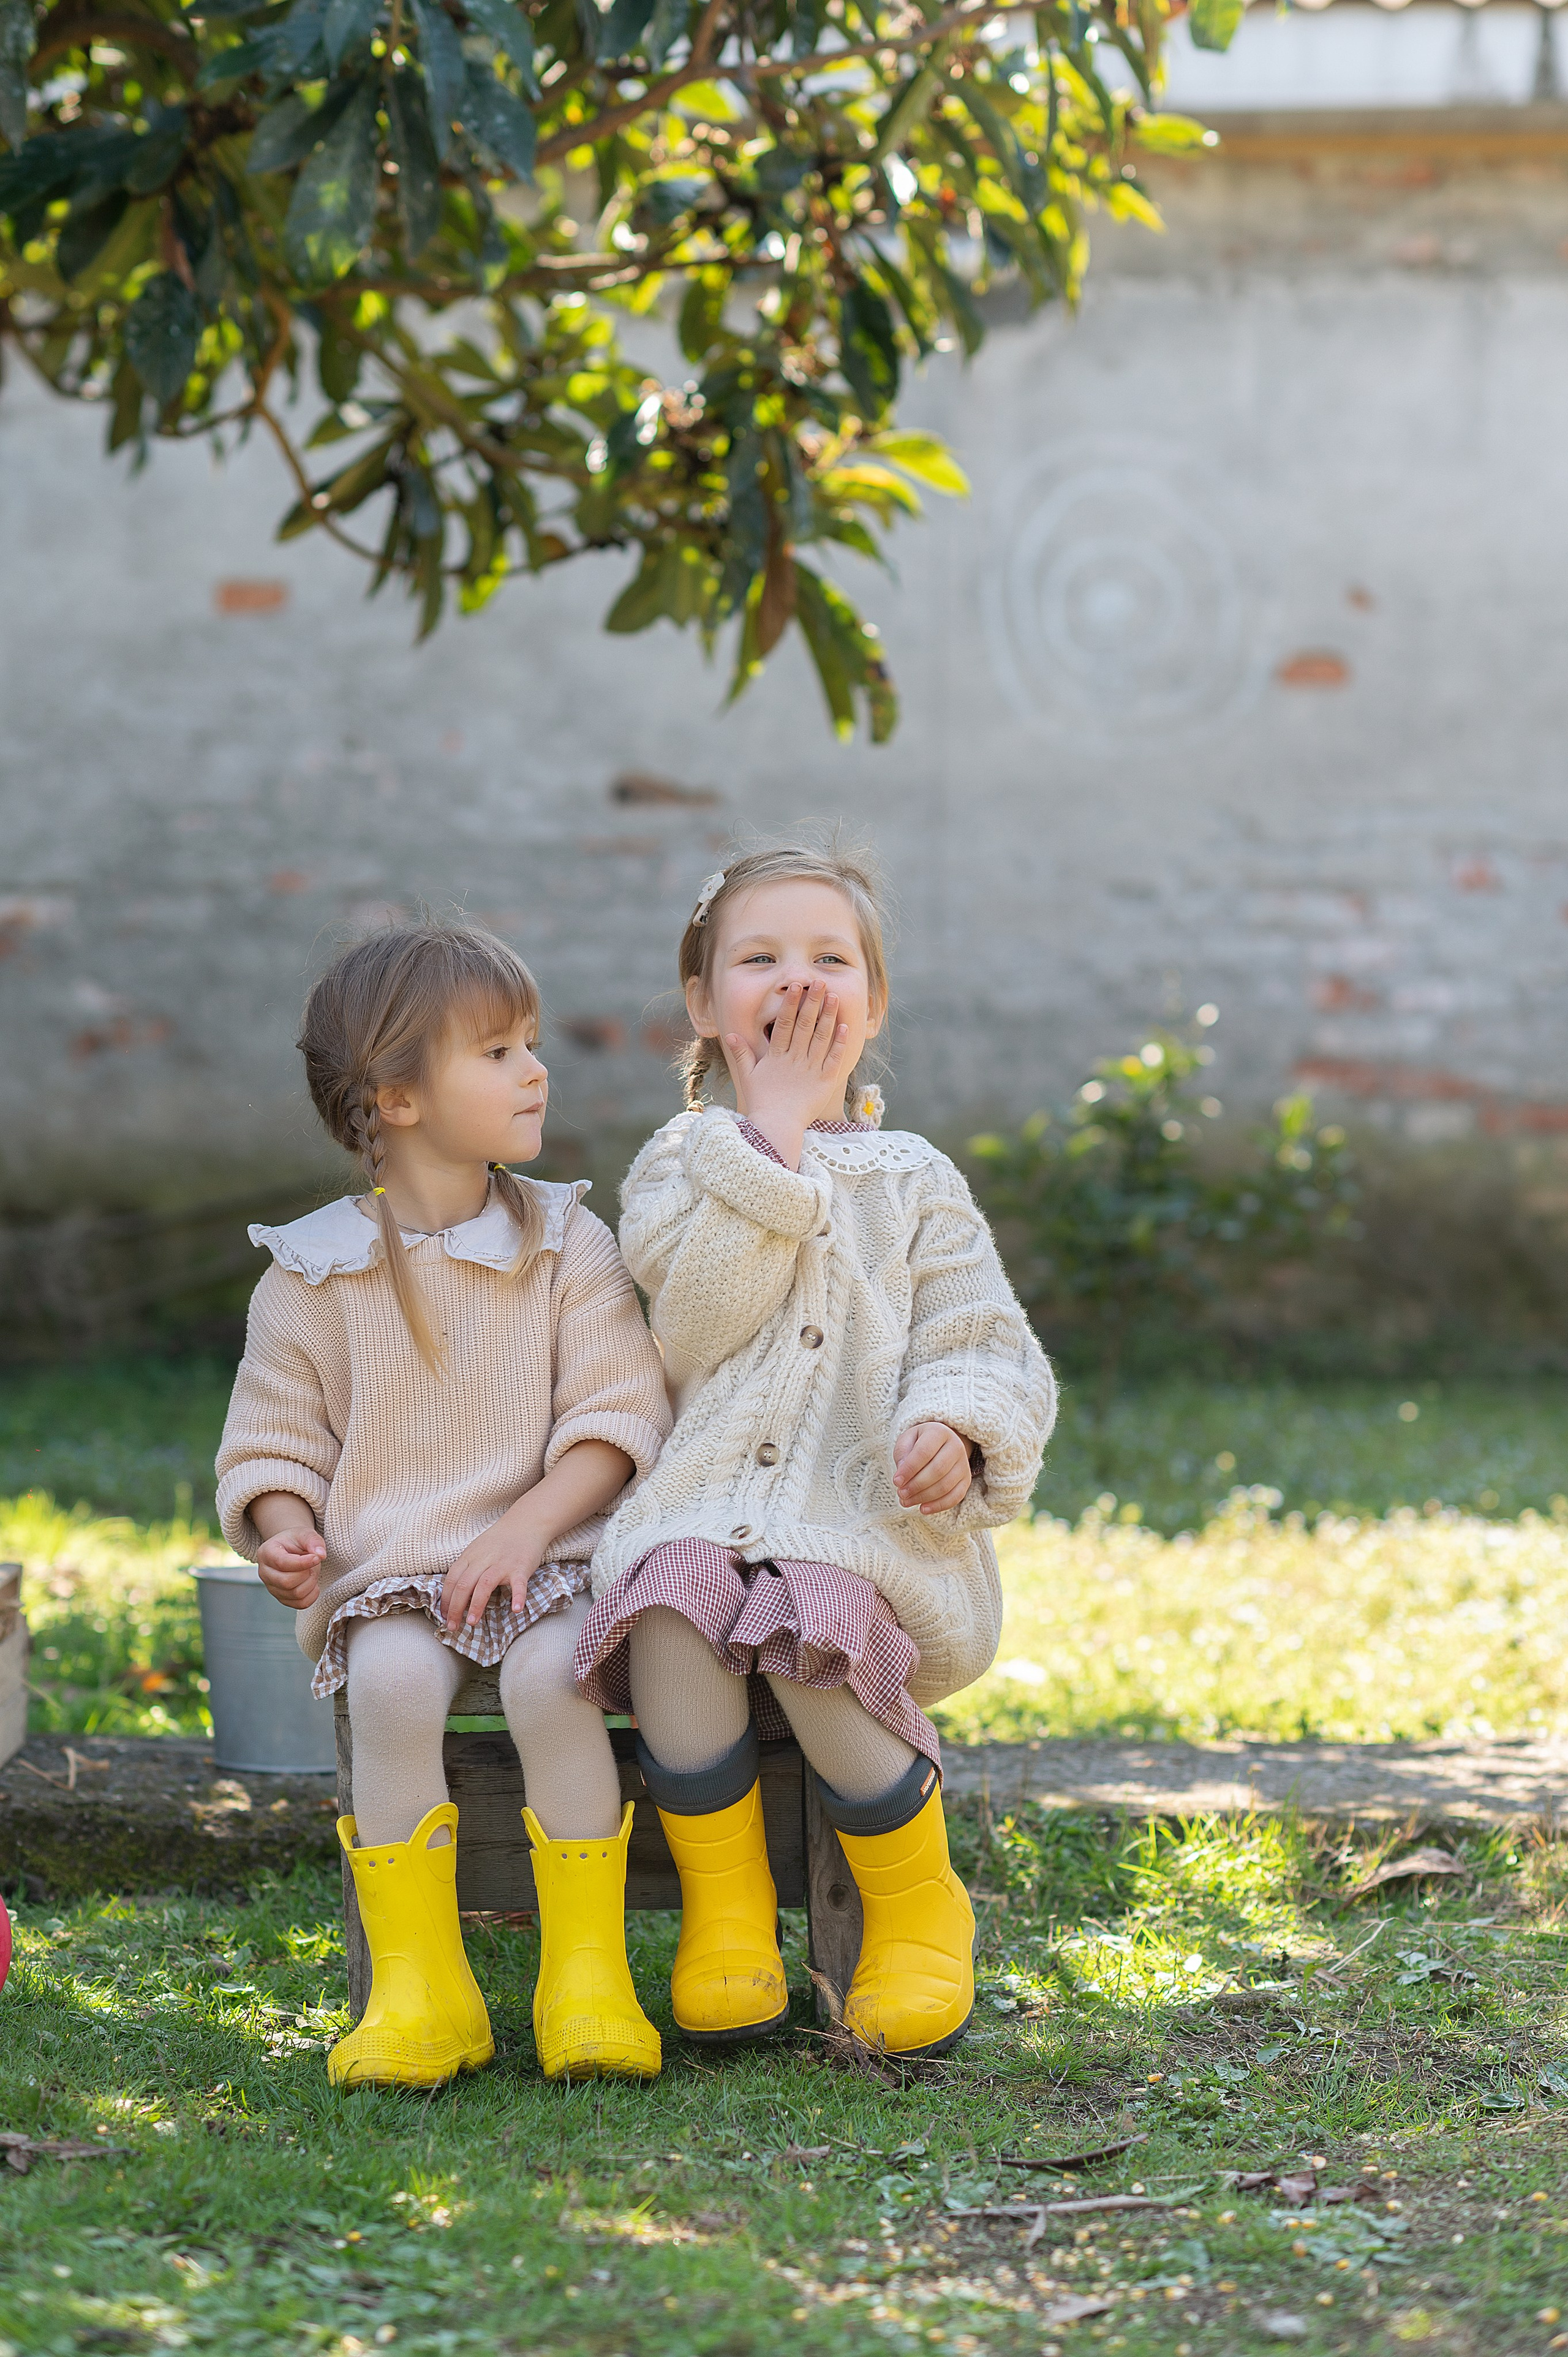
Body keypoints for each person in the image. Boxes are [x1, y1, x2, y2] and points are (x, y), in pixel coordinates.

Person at [576, 845, 1057, 2058]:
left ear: (872, 1003)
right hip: (698, 1502)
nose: (796, 981)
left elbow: (980, 1334)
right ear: (703, 1003)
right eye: (760, 958)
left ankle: (914, 1903)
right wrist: (772, 1136)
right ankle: (726, 1912)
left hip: (860, 1519)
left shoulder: (915, 1178)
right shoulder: (676, 1163)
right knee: (674, 1606)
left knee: (806, 1615)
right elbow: (693, 1317)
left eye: (827, 958)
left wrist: (952, 1423)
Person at [215, 921, 671, 2087]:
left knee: (554, 1679)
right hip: (395, 1570)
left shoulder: (568, 1243)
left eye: (531, 1043)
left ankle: (587, 1981)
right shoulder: (315, 1274)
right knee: (392, 1682)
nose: (537, 1070)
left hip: (553, 1555)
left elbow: (618, 1419)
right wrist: (284, 1531)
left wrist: (525, 1529)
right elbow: (271, 1443)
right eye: (499, 1051)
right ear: (398, 1098)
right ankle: (423, 1993)